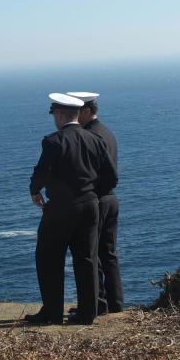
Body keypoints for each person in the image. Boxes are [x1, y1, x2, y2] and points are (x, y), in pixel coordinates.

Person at [26, 93, 117, 325]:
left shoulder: (53, 141)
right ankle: (88, 313)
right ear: (78, 115)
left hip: (61, 208)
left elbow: (42, 171)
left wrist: (35, 191)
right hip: (90, 206)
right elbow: (111, 177)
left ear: (59, 115)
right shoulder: (94, 139)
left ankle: (52, 312)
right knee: (86, 258)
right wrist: (92, 195)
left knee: (48, 257)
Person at [69, 91, 124, 314]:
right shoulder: (107, 132)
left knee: (92, 254)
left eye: (77, 111)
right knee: (108, 253)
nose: (74, 116)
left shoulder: (90, 136)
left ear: (87, 111)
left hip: (98, 199)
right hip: (111, 198)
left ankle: (99, 304)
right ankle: (116, 303)